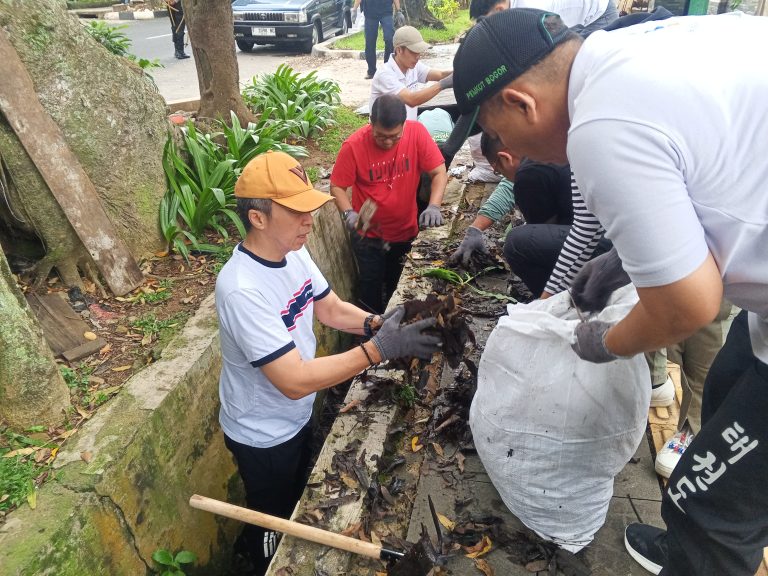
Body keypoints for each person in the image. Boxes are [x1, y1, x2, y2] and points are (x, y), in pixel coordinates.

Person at [452, 9, 768, 576]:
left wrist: (607, 342)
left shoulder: (598, 128)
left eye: (498, 134)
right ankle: (682, 546)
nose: (505, 150)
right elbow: (716, 169)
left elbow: (686, 306)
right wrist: (625, 261)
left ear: (523, 103)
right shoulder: (637, 49)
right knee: (725, 392)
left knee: (711, 509)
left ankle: (700, 546)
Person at [216, 151, 442, 575]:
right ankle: (265, 558)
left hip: (296, 416)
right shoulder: (242, 289)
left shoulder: (292, 250)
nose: (309, 220)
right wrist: (378, 349)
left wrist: (378, 323)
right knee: (273, 512)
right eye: (296, 210)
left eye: (309, 208)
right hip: (262, 433)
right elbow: (294, 381)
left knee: (300, 485)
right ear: (258, 218)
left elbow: (332, 309)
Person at [451, 133, 611, 298]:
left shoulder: (528, 173)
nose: (502, 176)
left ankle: (563, 301)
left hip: (603, 245)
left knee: (518, 243)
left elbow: (544, 228)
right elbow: (508, 187)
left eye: (498, 171)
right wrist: (475, 229)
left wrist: (544, 301)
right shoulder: (545, 147)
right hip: (616, 234)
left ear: (505, 158)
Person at [330, 95, 447, 314]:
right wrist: (348, 214)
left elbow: (439, 171)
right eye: (381, 136)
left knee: (398, 282)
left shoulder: (417, 133)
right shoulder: (354, 146)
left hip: (405, 229)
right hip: (368, 234)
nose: (387, 142)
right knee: (370, 287)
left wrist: (434, 205)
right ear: (371, 123)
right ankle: (368, 334)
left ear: (404, 125)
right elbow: (337, 186)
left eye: (394, 137)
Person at [369, 26, 453, 122]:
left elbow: (441, 74)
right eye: (413, 52)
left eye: (419, 52)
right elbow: (411, 100)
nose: (418, 57)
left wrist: (460, 71)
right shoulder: (385, 74)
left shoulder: (413, 66)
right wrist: (442, 84)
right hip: (387, 135)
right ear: (399, 50)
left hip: (407, 130)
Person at [468, 0, 619, 33]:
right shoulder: (512, 8)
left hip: (600, 14)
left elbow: (552, 43)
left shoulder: (528, 12)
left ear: (499, 9)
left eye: (487, 22)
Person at [354, 0, 402, 79]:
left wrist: (399, 10)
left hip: (386, 11)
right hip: (370, 13)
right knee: (370, 42)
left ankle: (388, 69)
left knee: (390, 39)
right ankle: (371, 71)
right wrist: (354, 9)